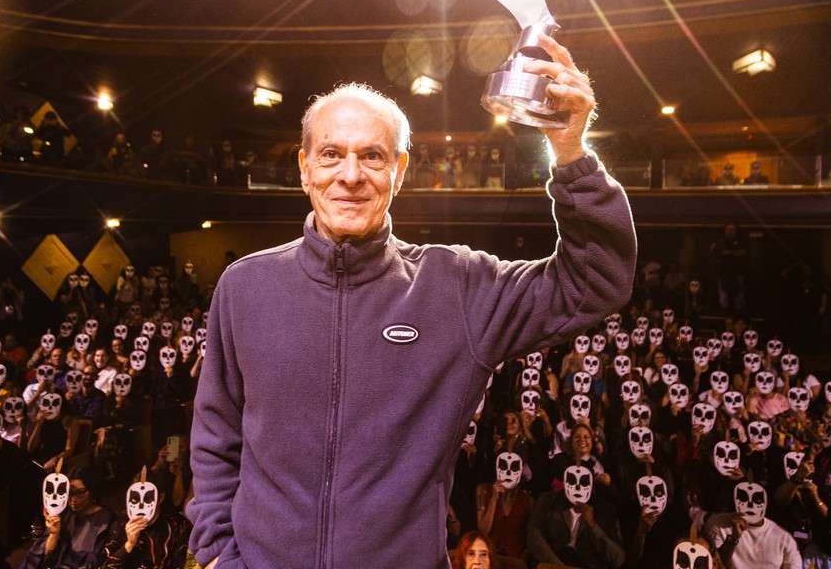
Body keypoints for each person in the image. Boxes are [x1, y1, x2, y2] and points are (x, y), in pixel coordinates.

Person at [187, 34, 637, 569]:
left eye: (372, 156)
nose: (350, 175)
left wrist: (571, 153)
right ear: (305, 168)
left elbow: (595, 282)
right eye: (331, 154)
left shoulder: (458, 286)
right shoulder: (244, 286)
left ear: (399, 171)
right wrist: (218, 556)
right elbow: (216, 437)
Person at [21, 466, 114, 569]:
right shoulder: (63, 513)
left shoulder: (104, 520)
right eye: (69, 493)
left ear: (92, 490)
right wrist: (53, 534)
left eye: (80, 492)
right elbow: (45, 557)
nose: (73, 499)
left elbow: (94, 562)